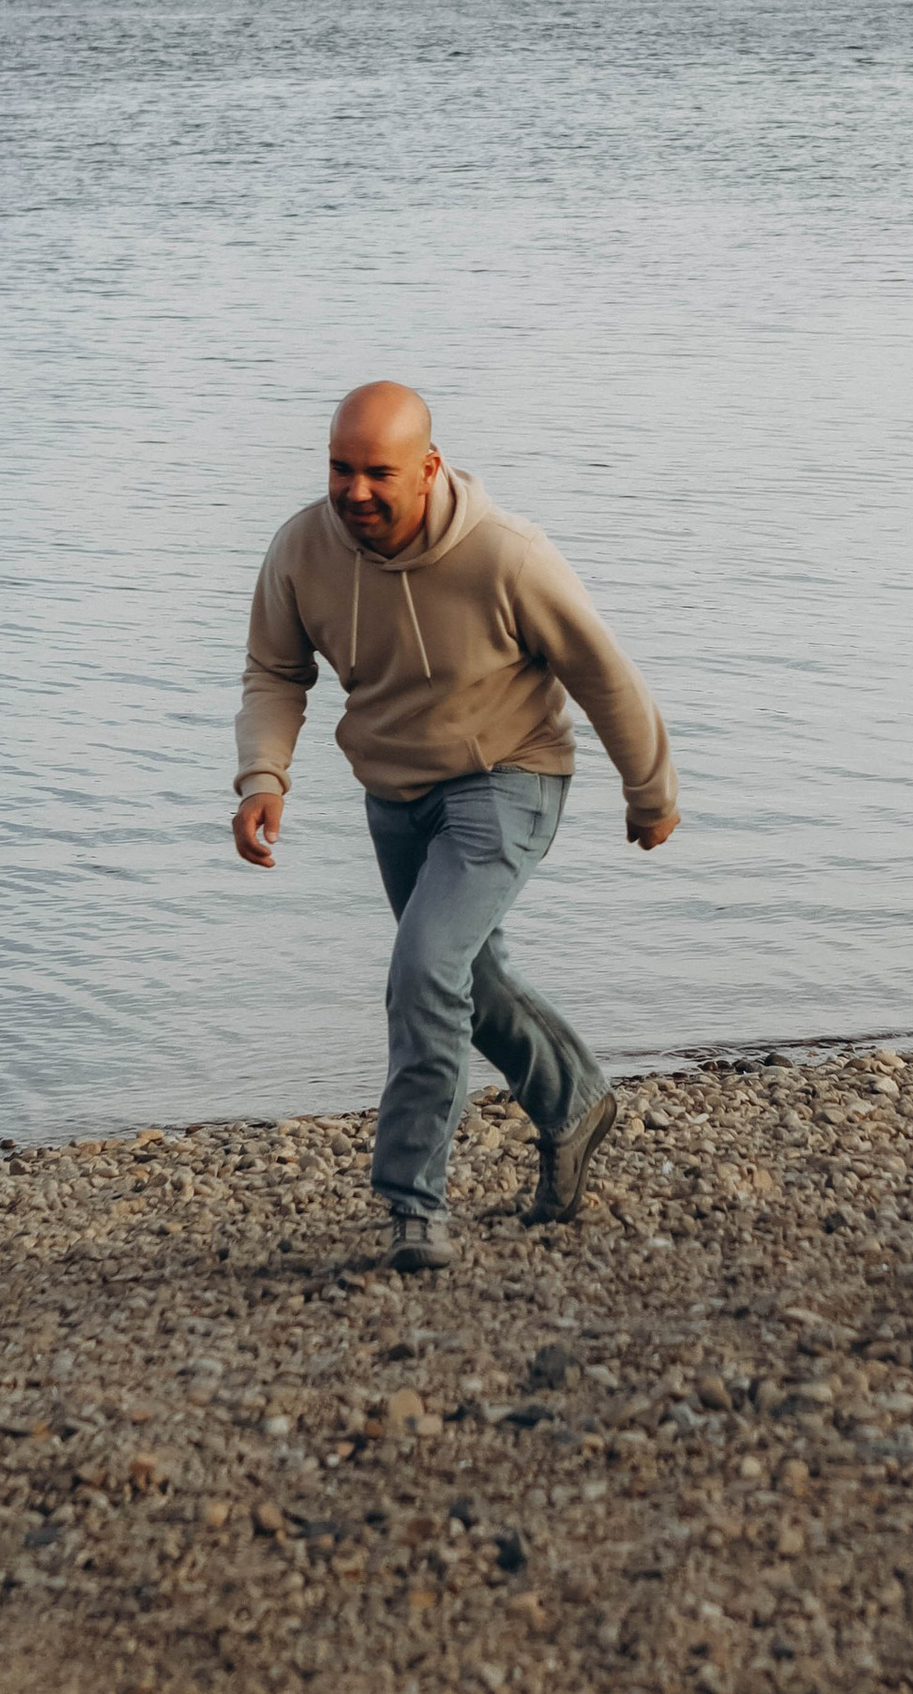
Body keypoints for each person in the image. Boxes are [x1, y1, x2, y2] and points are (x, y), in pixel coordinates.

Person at [233, 382, 679, 1271]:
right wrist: (262, 777)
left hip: (506, 776)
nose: (354, 492)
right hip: (394, 790)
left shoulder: (506, 557)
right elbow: (275, 672)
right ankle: (575, 1100)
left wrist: (650, 790)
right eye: (339, 469)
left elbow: (602, 673)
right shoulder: (301, 550)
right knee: (463, 975)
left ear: (429, 468)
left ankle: (413, 1204)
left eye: (378, 473)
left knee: (423, 969)